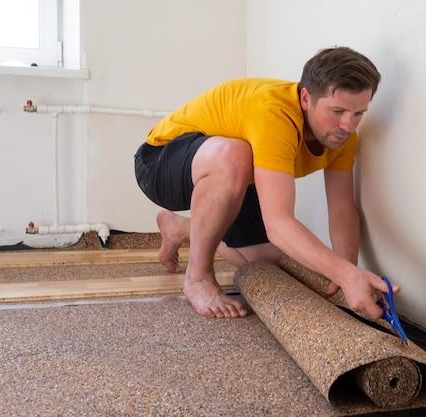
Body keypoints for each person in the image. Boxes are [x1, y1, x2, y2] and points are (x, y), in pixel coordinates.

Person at [134, 46, 399, 320]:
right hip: (160, 163)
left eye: (358, 114)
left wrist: (347, 272)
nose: (348, 125)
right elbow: (279, 223)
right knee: (236, 155)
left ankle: (183, 227)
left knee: (265, 261)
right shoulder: (274, 114)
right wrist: (346, 275)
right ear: (306, 98)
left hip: (231, 180)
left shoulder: (343, 138)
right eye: (338, 111)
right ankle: (197, 278)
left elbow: (342, 209)